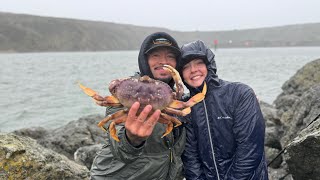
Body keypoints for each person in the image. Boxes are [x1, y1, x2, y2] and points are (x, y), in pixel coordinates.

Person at [90, 32, 186, 180]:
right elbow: (118, 146)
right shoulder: (127, 91)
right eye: (156, 56)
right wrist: (132, 140)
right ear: (144, 60)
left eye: (170, 57)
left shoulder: (175, 100)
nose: (163, 61)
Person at [178, 40, 269, 179]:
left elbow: (249, 150)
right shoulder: (185, 106)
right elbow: (191, 158)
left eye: (199, 63)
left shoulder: (240, 94)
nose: (193, 70)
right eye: (186, 67)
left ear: (209, 64)